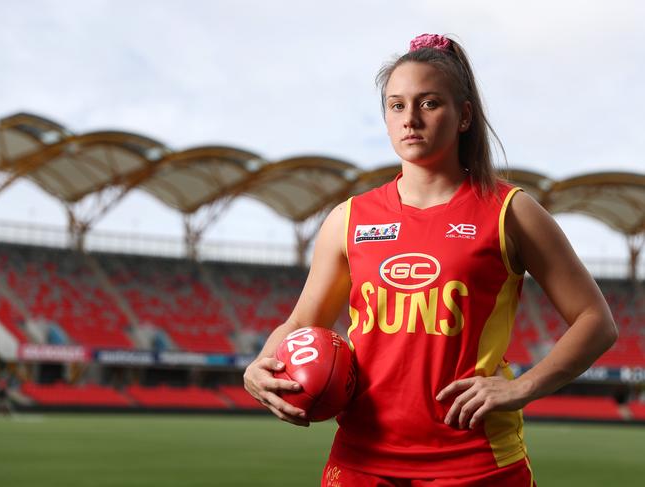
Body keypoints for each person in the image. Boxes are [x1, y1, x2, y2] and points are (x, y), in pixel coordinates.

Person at [243, 33, 618, 486]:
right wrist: (260, 366)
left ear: (463, 116)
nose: (411, 119)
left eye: (429, 103)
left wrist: (522, 387)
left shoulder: (510, 211)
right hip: (362, 459)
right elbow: (302, 322)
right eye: (397, 105)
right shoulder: (348, 219)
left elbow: (596, 320)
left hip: (476, 463)